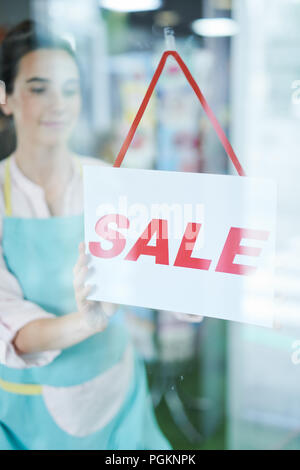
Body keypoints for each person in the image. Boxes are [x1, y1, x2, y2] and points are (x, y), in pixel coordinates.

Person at [0, 20, 173, 450]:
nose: (58, 104)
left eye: (70, 89)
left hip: (119, 399)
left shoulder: (106, 180)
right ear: (4, 97)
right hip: (29, 416)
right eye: (39, 88)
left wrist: (188, 291)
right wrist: (87, 321)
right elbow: (10, 329)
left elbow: (147, 268)